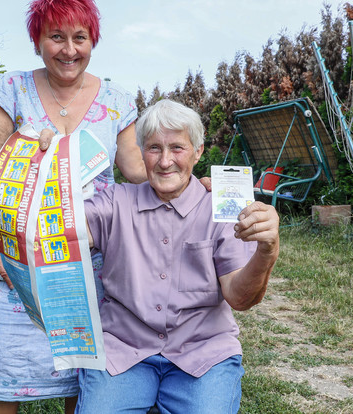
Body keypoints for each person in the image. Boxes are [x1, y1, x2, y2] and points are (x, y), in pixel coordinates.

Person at [0, 1, 146, 413]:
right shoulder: (12, 89)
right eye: (56, 37)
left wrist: (192, 180)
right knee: (1, 377)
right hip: (16, 263)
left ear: (92, 41)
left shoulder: (116, 99)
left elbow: (136, 169)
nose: (69, 49)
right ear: (38, 41)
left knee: (84, 384)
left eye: (79, 38)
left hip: (89, 265)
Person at [78, 99, 280, 413]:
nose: (165, 161)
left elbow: (240, 298)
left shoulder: (221, 208)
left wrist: (267, 250)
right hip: (124, 350)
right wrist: (48, 166)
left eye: (177, 148)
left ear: (198, 151)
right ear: (141, 151)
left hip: (202, 353)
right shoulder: (116, 201)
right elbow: (61, 232)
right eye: (154, 148)